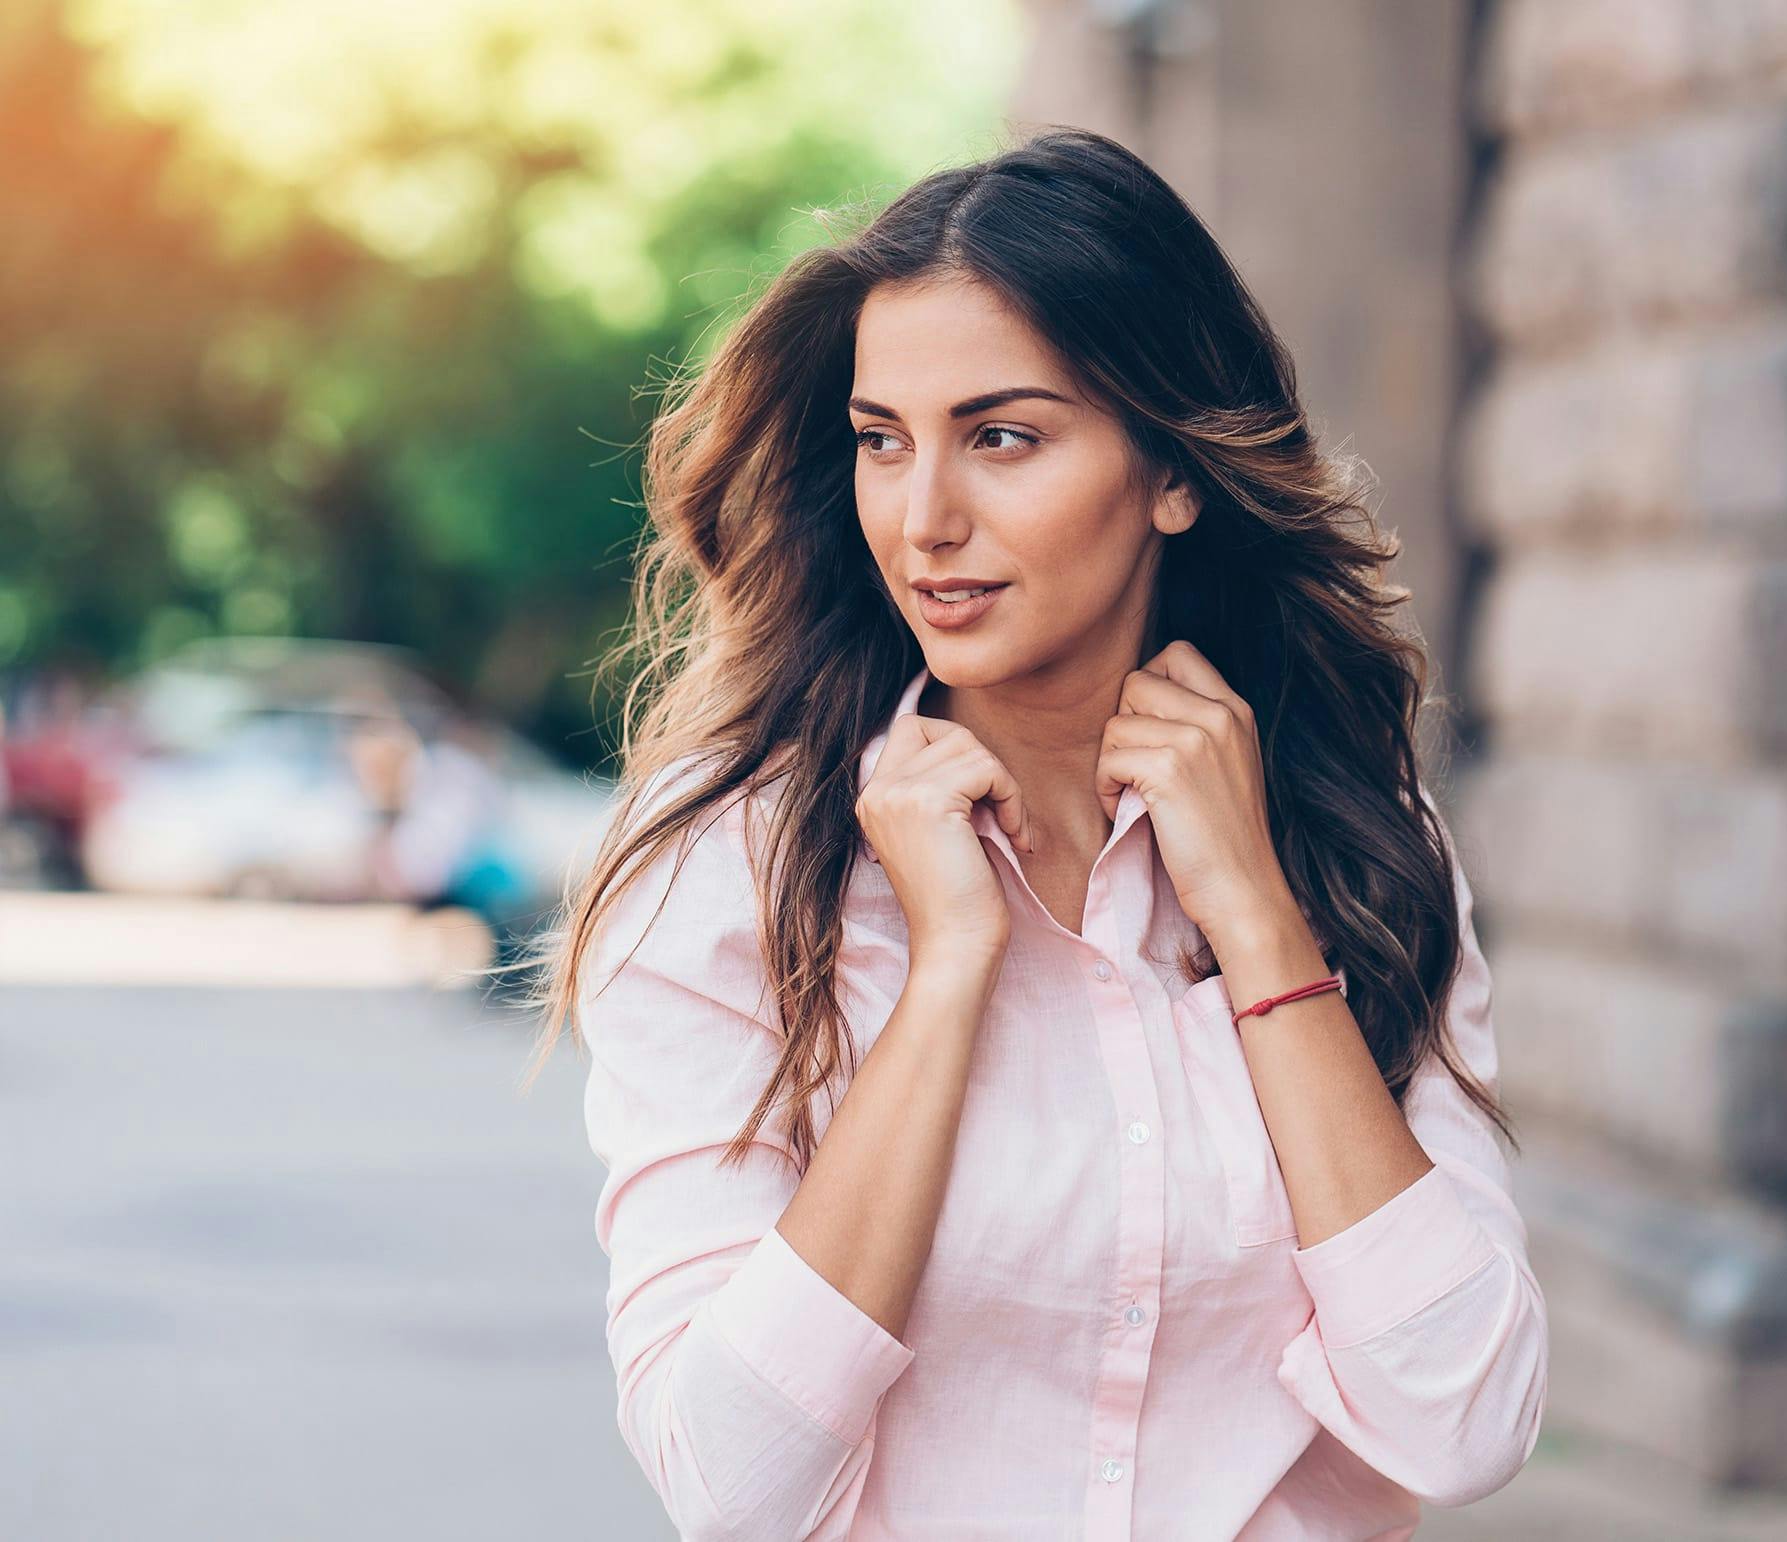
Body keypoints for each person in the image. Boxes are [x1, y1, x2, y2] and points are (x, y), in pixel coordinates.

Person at [516, 126, 1548, 1538]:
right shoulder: (730, 870)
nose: (924, 517)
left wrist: (1255, 918)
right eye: (884, 442)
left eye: (1002, 437)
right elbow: (732, 1483)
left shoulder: (1354, 838)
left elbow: (1466, 1413)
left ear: (1173, 473)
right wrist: (947, 975)